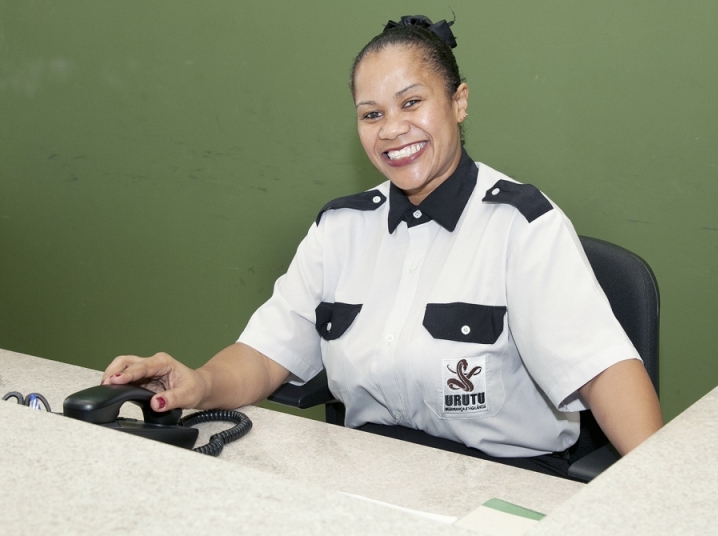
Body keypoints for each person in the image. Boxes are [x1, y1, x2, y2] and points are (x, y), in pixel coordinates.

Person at [102, 15, 662, 479]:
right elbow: (265, 354)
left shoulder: (522, 225)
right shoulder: (340, 228)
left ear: (459, 102)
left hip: (499, 478)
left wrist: (660, 493)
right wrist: (197, 385)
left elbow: (602, 371)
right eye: (372, 114)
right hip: (363, 471)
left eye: (411, 102)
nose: (392, 129)